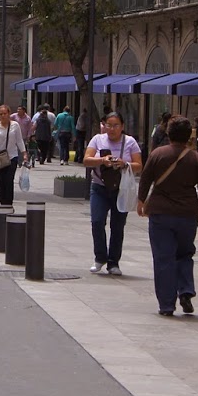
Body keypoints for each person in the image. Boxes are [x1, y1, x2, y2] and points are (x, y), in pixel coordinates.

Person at [137, 116, 198, 316]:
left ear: (169, 134)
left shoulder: (157, 154)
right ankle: (186, 290)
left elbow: (145, 178)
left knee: (164, 257)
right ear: (189, 135)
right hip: (187, 213)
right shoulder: (195, 157)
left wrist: (141, 201)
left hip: (161, 212)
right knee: (185, 253)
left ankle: (166, 304)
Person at [83, 111, 142, 275]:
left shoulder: (130, 142)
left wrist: (124, 164)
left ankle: (113, 262)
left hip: (120, 188)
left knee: (117, 226)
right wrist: (102, 160)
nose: (112, 129)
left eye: (116, 125)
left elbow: (139, 165)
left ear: (122, 127)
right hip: (99, 187)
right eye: (109, 125)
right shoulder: (97, 139)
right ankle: (100, 257)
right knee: (97, 221)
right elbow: (86, 160)